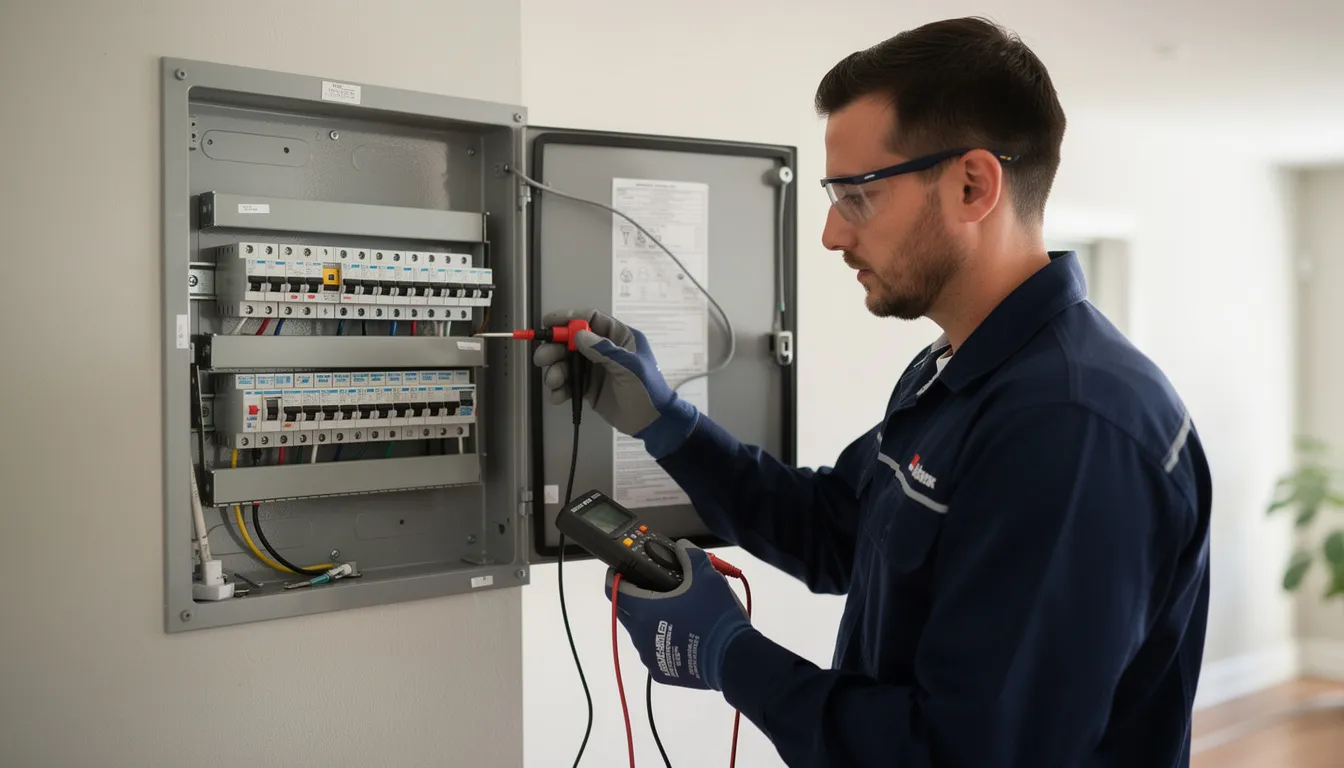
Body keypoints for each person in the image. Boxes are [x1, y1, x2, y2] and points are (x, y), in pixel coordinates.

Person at [533, 16, 1212, 768]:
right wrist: (668, 425)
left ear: (972, 184)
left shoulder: (1072, 429)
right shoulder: (953, 372)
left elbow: (965, 756)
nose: (830, 233)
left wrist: (732, 656)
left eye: (856, 197)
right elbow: (835, 531)